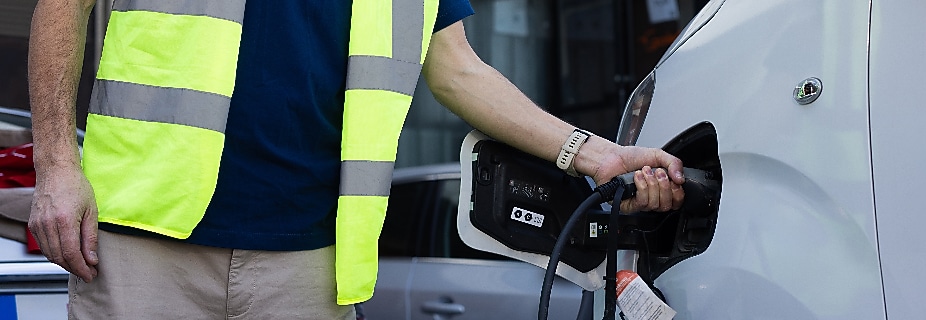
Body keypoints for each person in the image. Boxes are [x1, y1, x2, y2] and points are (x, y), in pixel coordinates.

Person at [27, 0, 686, 318]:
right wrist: (56, 163)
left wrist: (595, 153)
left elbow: (458, 72)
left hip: (311, 263)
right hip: (148, 240)